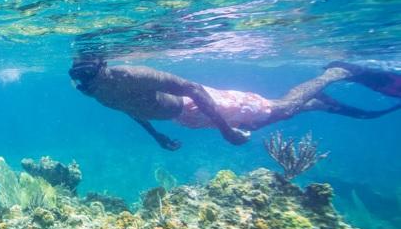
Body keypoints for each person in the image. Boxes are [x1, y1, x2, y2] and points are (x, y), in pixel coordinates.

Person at [69, 55, 401, 150]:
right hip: (187, 119)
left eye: (87, 81)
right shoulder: (99, 92)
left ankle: (335, 73)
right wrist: (157, 136)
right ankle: (319, 102)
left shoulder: (133, 74)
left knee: (280, 109)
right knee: (264, 119)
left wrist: (226, 128)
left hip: (207, 105)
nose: (82, 87)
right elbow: (130, 108)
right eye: (80, 84)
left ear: (103, 71)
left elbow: (192, 88)